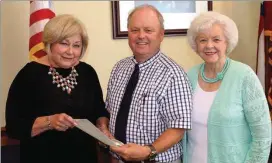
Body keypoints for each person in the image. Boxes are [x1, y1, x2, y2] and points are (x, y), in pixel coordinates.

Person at [5, 14, 109, 163]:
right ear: (49, 43)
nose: (70, 51)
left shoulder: (87, 72)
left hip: (84, 156)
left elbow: (99, 110)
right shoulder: (29, 75)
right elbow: (14, 127)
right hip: (42, 157)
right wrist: (49, 122)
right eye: (64, 43)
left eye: (76, 45)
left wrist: (103, 127)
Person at [98, 4, 193, 163]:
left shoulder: (173, 74)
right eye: (135, 30)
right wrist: (104, 131)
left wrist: (148, 151)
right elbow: (110, 111)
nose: (141, 36)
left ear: (161, 35)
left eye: (148, 30)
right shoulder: (119, 68)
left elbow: (178, 127)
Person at [183, 11, 272, 163]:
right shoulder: (189, 75)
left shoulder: (244, 76)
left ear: (227, 42)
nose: (209, 45)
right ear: (196, 45)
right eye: (203, 40)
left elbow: (262, 135)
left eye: (216, 39)